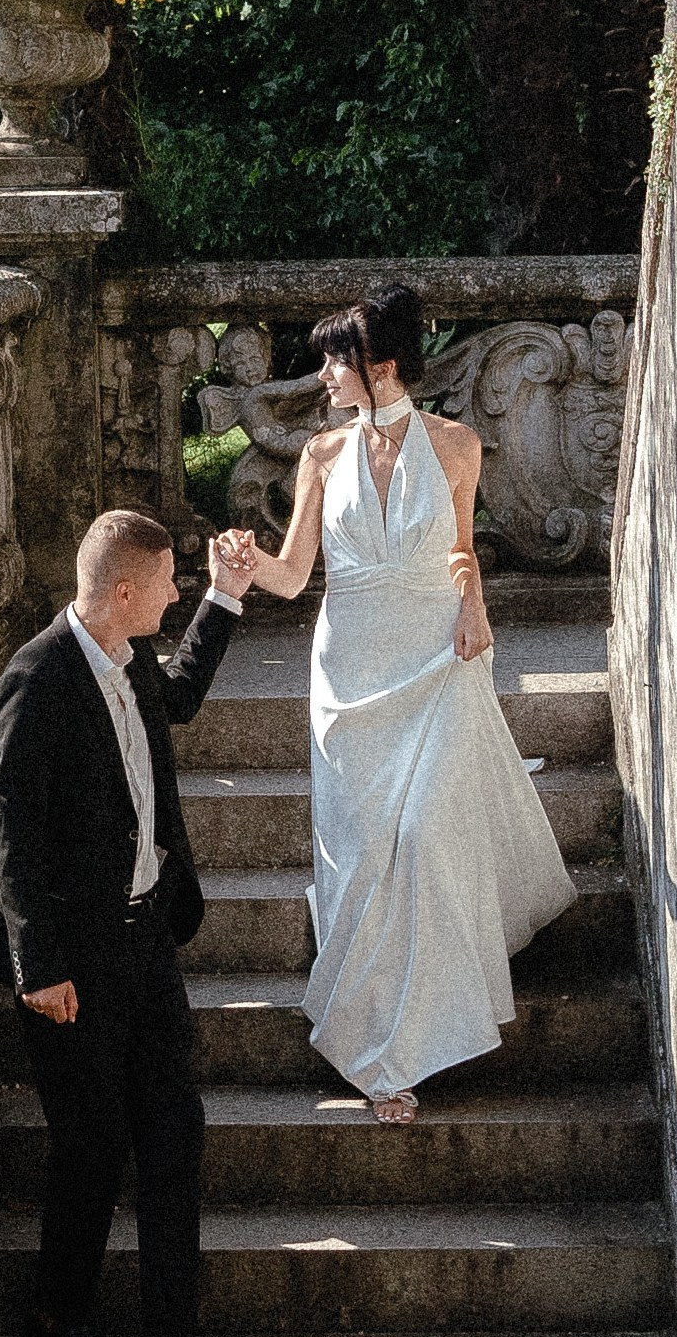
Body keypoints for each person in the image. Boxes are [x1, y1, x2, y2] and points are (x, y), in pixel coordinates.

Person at [234, 283, 574, 1123]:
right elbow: (292, 575)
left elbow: (462, 552)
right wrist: (242, 567)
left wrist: (475, 611)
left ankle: (415, 1041)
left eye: (334, 362)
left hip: (435, 660)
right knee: (360, 859)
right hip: (348, 675)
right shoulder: (320, 456)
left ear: (380, 366)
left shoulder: (457, 445)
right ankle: (371, 1049)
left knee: (423, 837)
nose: (322, 377)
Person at [0, 507, 262, 1337]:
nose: (177, 593)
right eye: (173, 583)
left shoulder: (131, 657)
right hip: (71, 964)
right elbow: (11, 826)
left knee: (174, 1131)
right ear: (127, 591)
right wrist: (37, 965)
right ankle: (53, 1318)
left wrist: (226, 597)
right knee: (93, 1143)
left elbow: (177, 698)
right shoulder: (37, 678)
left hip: (146, 945)